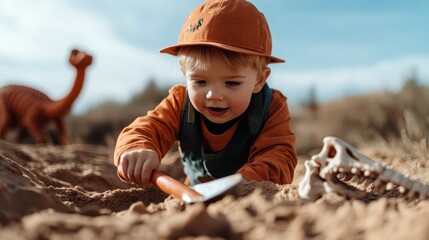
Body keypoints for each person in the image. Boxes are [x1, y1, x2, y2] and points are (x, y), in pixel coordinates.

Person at [114, 0, 297, 188]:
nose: (213, 95)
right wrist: (137, 147)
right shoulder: (180, 103)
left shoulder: (271, 107)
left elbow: (279, 158)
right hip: (195, 197)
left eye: (232, 83)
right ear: (186, 75)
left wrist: (239, 184)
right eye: (200, 82)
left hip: (250, 201)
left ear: (259, 80)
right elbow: (148, 127)